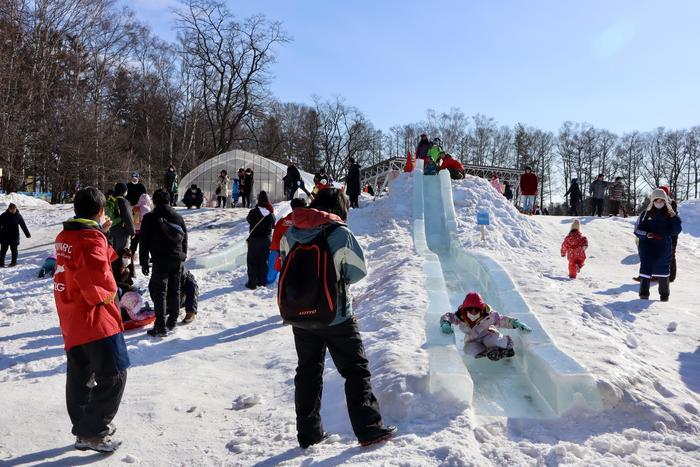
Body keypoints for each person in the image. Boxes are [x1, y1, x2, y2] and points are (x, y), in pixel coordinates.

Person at [279, 188, 396, 448]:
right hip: (337, 317)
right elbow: (358, 271)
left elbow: (284, 263)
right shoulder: (340, 233)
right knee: (355, 370)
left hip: (300, 317)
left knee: (308, 372)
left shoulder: (291, 230)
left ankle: (309, 435)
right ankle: (368, 429)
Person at [53, 187, 128, 453]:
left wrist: (102, 234)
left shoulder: (67, 234)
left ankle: (84, 430)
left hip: (72, 318)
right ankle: (93, 431)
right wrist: (109, 297)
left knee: (80, 376)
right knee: (115, 375)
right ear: (100, 211)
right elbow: (97, 279)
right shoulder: (89, 239)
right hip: (95, 320)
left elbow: (85, 263)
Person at [139, 189, 188, 336]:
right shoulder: (178, 217)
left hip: (160, 259)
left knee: (160, 291)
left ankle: (160, 326)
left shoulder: (149, 218)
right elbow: (184, 238)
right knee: (175, 289)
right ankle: (172, 321)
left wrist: (144, 262)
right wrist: (183, 255)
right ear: (169, 200)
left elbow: (144, 242)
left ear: (154, 201)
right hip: (177, 257)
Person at [440, 292, 532, 360]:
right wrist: (445, 323)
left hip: (489, 335)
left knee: (492, 340)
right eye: (470, 309)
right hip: (472, 339)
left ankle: (507, 349)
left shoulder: (489, 315)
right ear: (465, 308)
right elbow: (448, 316)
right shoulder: (460, 316)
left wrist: (515, 323)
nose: (473, 312)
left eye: (476, 309)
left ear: (481, 308)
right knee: (469, 349)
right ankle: (491, 352)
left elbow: (502, 320)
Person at [634, 188, 682, 301]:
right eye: (656, 200)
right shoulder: (645, 214)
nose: (659, 203)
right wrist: (646, 234)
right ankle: (643, 294)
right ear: (652, 201)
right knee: (645, 269)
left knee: (663, 270)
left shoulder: (670, 214)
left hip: (664, 246)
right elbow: (637, 230)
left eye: (661, 201)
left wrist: (674, 217)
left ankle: (664, 296)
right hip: (647, 247)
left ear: (665, 201)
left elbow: (676, 230)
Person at [245, 191, 275, 289]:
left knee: (252, 261)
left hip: (254, 240)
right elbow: (274, 224)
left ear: (258, 200)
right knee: (263, 261)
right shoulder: (270, 213)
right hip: (266, 240)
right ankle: (262, 282)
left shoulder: (253, 212)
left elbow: (248, 220)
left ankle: (252, 283)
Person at [270, 198, 306, 271]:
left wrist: (279, 254)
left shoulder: (282, 222)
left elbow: (276, 241)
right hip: (304, 258)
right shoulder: (308, 222)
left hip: (286, 257)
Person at [106, 183, 135, 253]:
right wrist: (132, 232)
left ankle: (112, 264)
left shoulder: (111, 200)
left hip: (110, 229)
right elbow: (128, 217)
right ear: (124, 191)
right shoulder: (124, 202)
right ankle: (118, 263)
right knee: (121, 252)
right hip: (121, 230)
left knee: (112, 251)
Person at [659, 186, 680, 282]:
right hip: (664, 232)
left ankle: (671, 277)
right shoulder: (660, 202)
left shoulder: (671, 203)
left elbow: (673, 217)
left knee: (671, 254)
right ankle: (659, 274)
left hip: (672, 232)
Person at [0, 202, 31, 267]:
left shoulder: (18, 216)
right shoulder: (3, 215)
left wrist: (27, 234)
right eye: (11, 209)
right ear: (9, 209)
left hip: (14, 236)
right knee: (3, 251)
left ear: (16, 209)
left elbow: (23, 225)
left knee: (14, 251)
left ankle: (13, 262)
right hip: (4, 236)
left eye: (14, 209)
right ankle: (1, 263)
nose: (13, 211)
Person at [130, 193, 152, 257]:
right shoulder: (147, 209)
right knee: (144, 247)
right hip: (143, 230)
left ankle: (130, 260)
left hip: (135, 230)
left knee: (133, 246)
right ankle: (145, 261)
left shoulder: (134, 207)